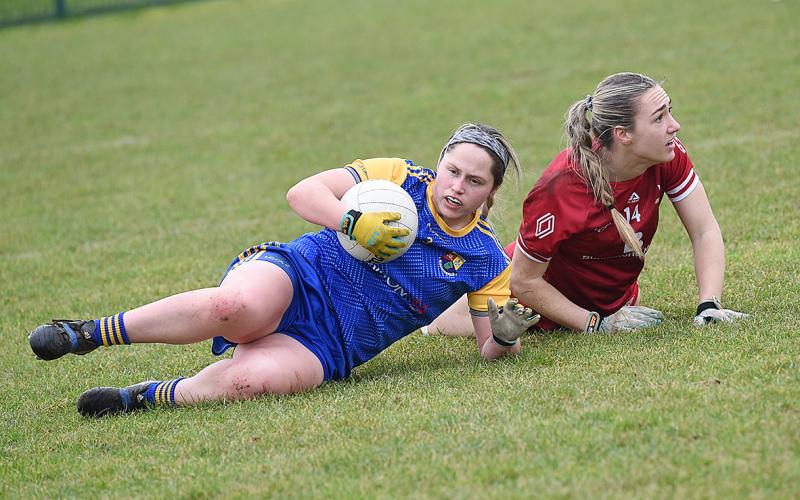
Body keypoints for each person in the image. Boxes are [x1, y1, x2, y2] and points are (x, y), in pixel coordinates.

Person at [27, 123, 539, 417]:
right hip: (300, 275)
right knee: (233, 307)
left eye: (473, 181)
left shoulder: (486, 259)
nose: (455, 187)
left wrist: (508, 333)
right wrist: (350, 220)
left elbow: (490, 351)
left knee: (250, 382)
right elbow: (301, 192)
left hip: (332, 344)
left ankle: (146, 395)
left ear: (490, 194)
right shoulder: (400, 178)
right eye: (453, 170)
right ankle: (90, 333)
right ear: (440, 161)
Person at [426, 73, 747, 336]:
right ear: (623, 134)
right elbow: (522, 280)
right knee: (437, 327)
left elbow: (704, 230)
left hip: (608, 299)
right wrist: (595, 323)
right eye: (659, 117)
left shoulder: (668, 153)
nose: (674, 126)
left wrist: (709, 305)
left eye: (669, 112)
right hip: (525, 300)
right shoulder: (562, 185)